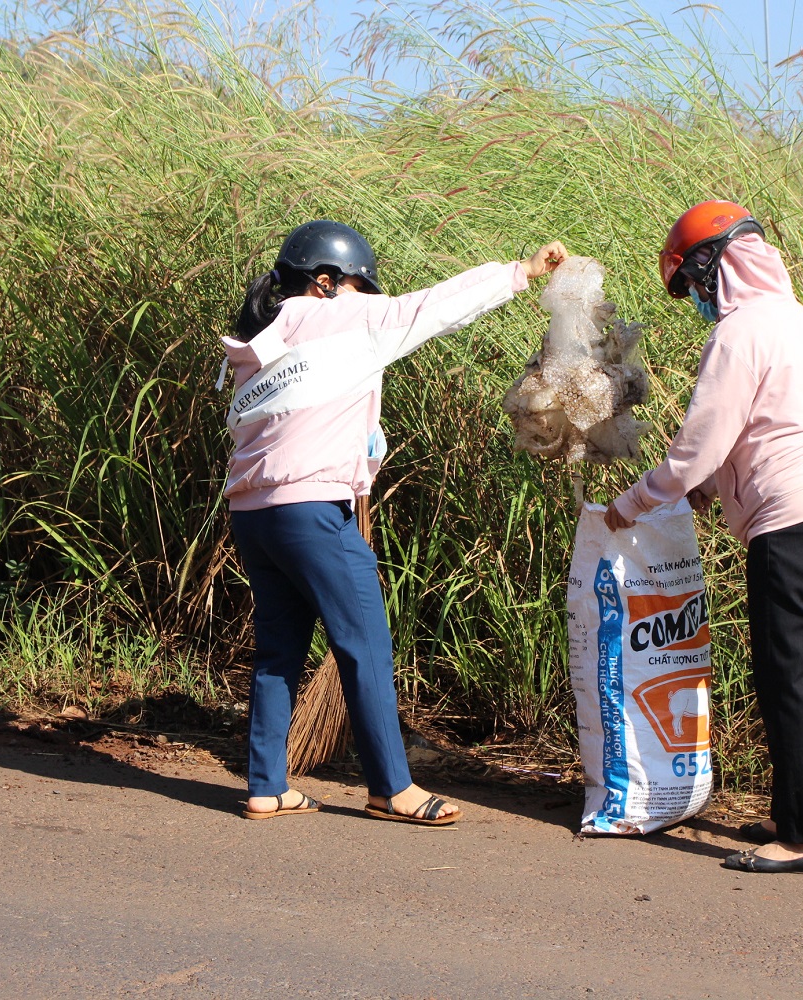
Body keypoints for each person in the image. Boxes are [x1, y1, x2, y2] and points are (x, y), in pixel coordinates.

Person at [221, 219, 569, 825]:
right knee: (366, 647)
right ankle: (392, 788)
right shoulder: (344, 319)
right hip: (312, 514)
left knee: (279, 649)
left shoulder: (261, 342)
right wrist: (521, 272)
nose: (373, 298)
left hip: (254, 516)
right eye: (363, 285)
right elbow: (436, 308)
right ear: (326, 283)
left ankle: (266, 786)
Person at [603, 201, 803, 873]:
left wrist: (631, 503)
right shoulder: (796, 320)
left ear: (710, 266)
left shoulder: (740, 333)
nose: (695, 299)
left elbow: (700, 448)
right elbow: (767, 428)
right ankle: (796, 812)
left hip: (792, 525)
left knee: (788, 681)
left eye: (692, 285)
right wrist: (704, 484)